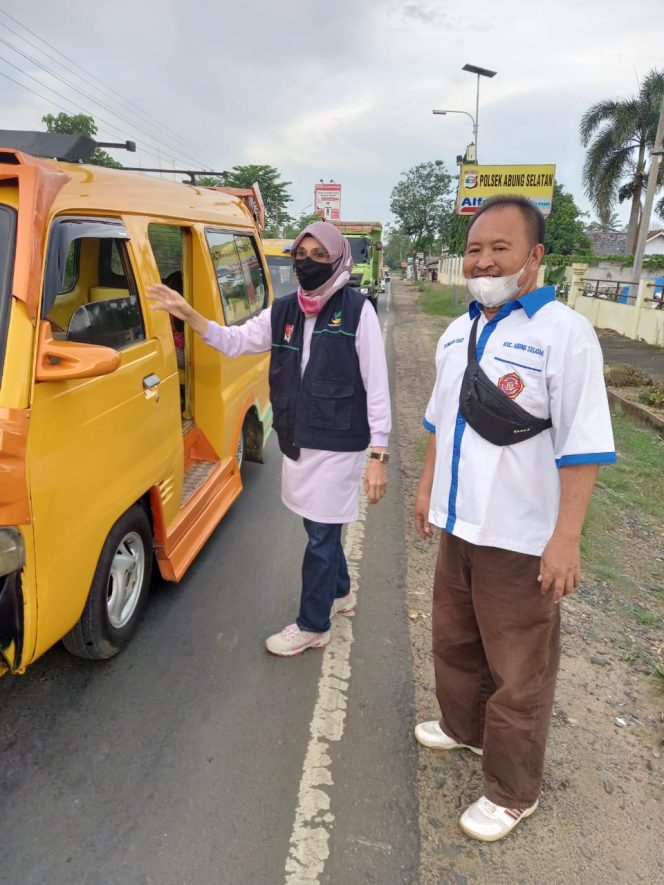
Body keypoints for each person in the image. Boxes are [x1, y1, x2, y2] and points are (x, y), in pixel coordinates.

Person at [413, 195, 616, 842]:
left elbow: (583, 445)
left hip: (522, 537)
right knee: (454, 639)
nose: (483, 259)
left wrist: (566, 538)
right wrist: (425, 491)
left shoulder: (565, 334)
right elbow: (438, 424)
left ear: (534, 257)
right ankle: (463, 727)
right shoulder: (457, 329)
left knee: (520, 668)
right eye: (475, 247)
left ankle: (512, 789)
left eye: (500, 247)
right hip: (459, 526)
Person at [147, 221, 391, 656]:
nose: (308, 263)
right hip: (299, 437)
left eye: (320, 256)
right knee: (317, 523)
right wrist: (189, 314)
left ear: (337, 260)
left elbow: (377, 385)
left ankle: (314, 624)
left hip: (339, 442)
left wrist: (380, 453)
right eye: (302, 254)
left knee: (320, 533)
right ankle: (341, 592)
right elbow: (234, 341)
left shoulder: (358, 311)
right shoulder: (283, 311)